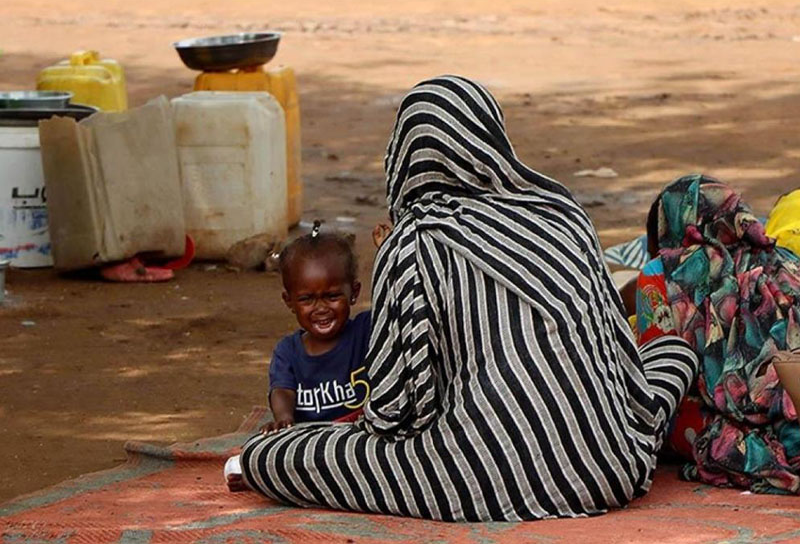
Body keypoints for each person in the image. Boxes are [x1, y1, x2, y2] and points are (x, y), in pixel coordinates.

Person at [237, 75, 698, 521]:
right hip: (611, 468)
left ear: (403, 153)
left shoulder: (412, 241)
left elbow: (394, 413)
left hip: (477, 477)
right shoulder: (563, 214)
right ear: (490, 136)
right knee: (671, 351)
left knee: (266, 456)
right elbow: (618, 359)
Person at [636, 175, 800, 493]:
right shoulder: (788, 262)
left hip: (742, 418)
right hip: (790, 406)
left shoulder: (660, 274)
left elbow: (660, 366)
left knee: (660, 418)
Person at [225, 222, 372, 491]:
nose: (321, 308)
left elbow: (393, 308)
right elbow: (282, 389)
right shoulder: (287, 351)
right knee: (257, 449)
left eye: (332, 296)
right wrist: (283, 418)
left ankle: (275, 480)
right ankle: (264, 472)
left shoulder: (365, 331)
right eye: (307, 299)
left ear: (355, 293)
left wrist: (387, 257)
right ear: (289, 301)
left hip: (357, 437)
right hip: (305, 443)